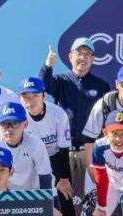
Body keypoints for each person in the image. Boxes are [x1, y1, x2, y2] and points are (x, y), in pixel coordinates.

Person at [17, 76, 78, 216]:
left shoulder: (57, 113)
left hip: (55, 160)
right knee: (25, 206)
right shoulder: (18, 117)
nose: (30, 101)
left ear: (43, 95)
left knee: (63, 204)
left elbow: (63, 149)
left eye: (34, 95)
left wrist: (63, 178)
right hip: (27, 163)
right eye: (25, 96)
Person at [39, 37, 111, 197]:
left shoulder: (101, 86)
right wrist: (48, 66)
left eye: (87, 54)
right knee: (64, 197)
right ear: (70, 56)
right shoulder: (60, 81)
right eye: (79, 53)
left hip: (90, 151)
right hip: (65, 151)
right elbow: (43, 85)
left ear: (93, 59)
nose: (83, 58)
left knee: (92, 196)